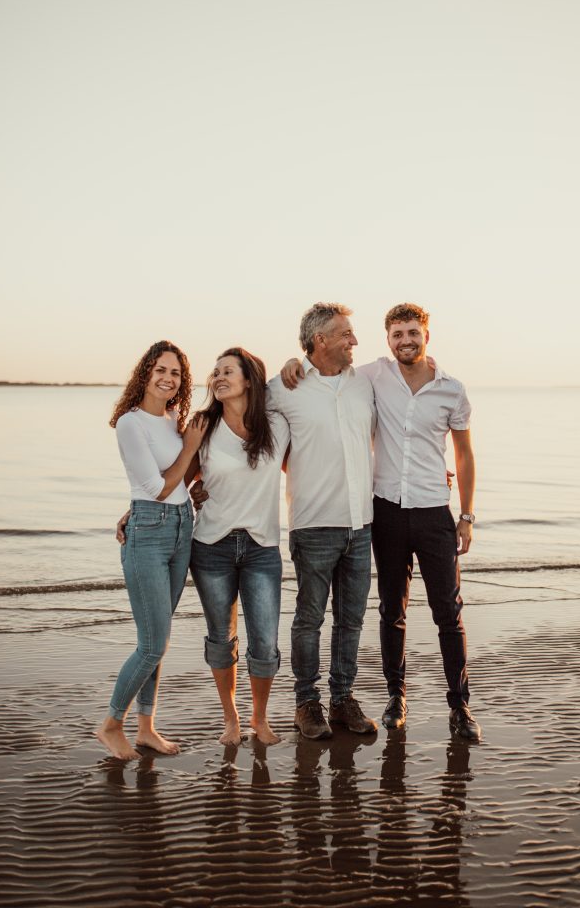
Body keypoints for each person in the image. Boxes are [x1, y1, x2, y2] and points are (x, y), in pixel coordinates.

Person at [281, 302, 481, 741]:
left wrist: (466, 515)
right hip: (385, 511)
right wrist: (293, 362)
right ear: (388, 339)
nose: (405, 340)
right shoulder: (372, 376)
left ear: (426, 334)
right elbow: (318, 372)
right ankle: (396, 696)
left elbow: (464, 455)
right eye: (397, 334)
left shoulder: (452, 389)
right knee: (391, 611)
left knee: (448, 612)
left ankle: (460, 706)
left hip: (434, 512)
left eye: (413, 333)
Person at [268, 303, 378, 740]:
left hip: (362, 522)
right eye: (346, 334)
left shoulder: (365, 383)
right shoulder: (282, 387)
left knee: (351, 619)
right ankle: (305, 703)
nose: (354, 341)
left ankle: (342, 700)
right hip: (313, 523)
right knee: (309, 618)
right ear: (320, 340)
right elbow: (243, 432)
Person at [96, 340, 203, 761]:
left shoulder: (174, 419)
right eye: (160, 369)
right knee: (152, 644)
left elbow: (178, 480)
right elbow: (156, 487)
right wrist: (191, 447)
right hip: (150, 532)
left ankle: (146, 728)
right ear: (145, 372)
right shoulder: (130, 423)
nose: (167, 377)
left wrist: (192, 462)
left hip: (182, 529)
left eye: (175, 372)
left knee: (161, 639)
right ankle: (110, 724)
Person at [187, 348, 290, 747]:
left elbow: (310, 463)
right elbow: (179, 478)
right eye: (215, 372)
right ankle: (230, 718)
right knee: (220, 637)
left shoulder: (277, 426)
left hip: (262, 546)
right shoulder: (203, 425)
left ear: (249, 380)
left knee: (264, 641)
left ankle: (259, 719)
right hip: (211, 545)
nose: (218, 377)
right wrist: (136, 511)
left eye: (227, 371)